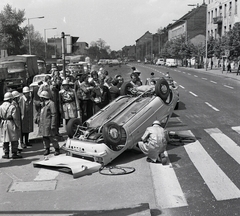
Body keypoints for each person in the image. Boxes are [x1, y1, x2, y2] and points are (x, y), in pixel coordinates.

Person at [0, 92, 22, 159]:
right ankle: (14, 153)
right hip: (11, 123)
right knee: (14, 138)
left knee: (5, 139)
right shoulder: (12, 107)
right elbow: (15, 117)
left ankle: (6, 153)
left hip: (3, 123)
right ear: (10, 99)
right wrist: (18, 125)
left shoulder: (0, 107)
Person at [38, 91, 60, 156]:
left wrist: (53, 124)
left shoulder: (51, 104)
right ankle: (47, 149)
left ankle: (56, 149)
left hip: (49, 123)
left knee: (52, 137)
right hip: (43, 123)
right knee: (45, 137)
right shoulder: (42, 104)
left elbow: (54, 114)